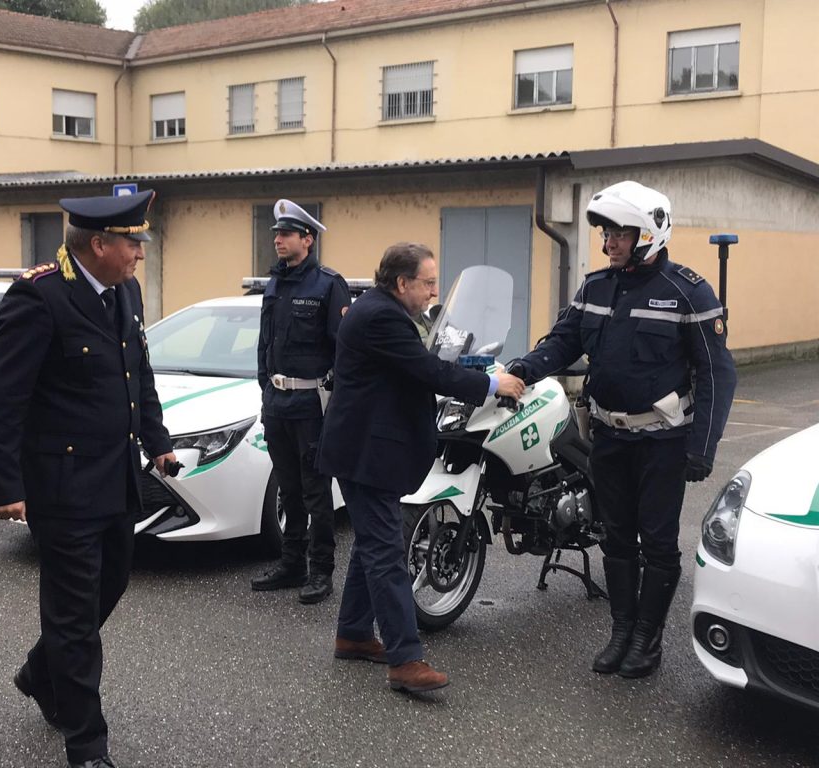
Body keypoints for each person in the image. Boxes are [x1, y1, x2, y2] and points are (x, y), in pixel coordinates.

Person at [508, 180, 736, 679]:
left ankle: (647, 640)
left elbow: (717, 372)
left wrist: (703, 447)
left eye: (618, 233)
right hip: (607, 437)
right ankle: (621, 629)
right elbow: (563, 341)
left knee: (655, 541)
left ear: (649, 234)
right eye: (605, 233)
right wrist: (520, 371)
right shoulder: (595, 287)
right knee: (615, 537)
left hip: (662, 443)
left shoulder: (688, 292)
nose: (608, 242)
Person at [0, 192, 175, 768]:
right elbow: (2, 402)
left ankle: (41, 673)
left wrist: (159, 442)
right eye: (132, 241)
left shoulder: (125, 292)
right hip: (62, 486)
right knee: (73, 618)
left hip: (116, 477)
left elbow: (137, 372)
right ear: (99, 245)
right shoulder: (39, 297)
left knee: (107, 588)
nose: (141, 252)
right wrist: (5, 488)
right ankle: (87, 743)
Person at [317, 242, 525, 693]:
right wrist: (492, 383)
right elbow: (428, 372)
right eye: (429, 282)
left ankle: (353, 633)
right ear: (402, 283)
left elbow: (427, 363)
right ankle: (405, 660)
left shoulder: (385, 310)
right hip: (366, 455)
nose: (434, 291)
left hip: (367, 452)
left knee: (373, 545)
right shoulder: (382, 318)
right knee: (387, 552)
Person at [251, 199, 351, 605]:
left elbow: (344, 351)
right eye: (276, 234)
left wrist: (337, 406)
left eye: (286, 234)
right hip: (277, 403)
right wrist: (265, 389)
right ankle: (291, 563)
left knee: (315, 491)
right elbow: (264, 345)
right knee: (287, 489)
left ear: (307, 239)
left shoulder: (328, 284)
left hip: (312, 404)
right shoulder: (274, 283)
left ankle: (321, 570)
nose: (278, 240)